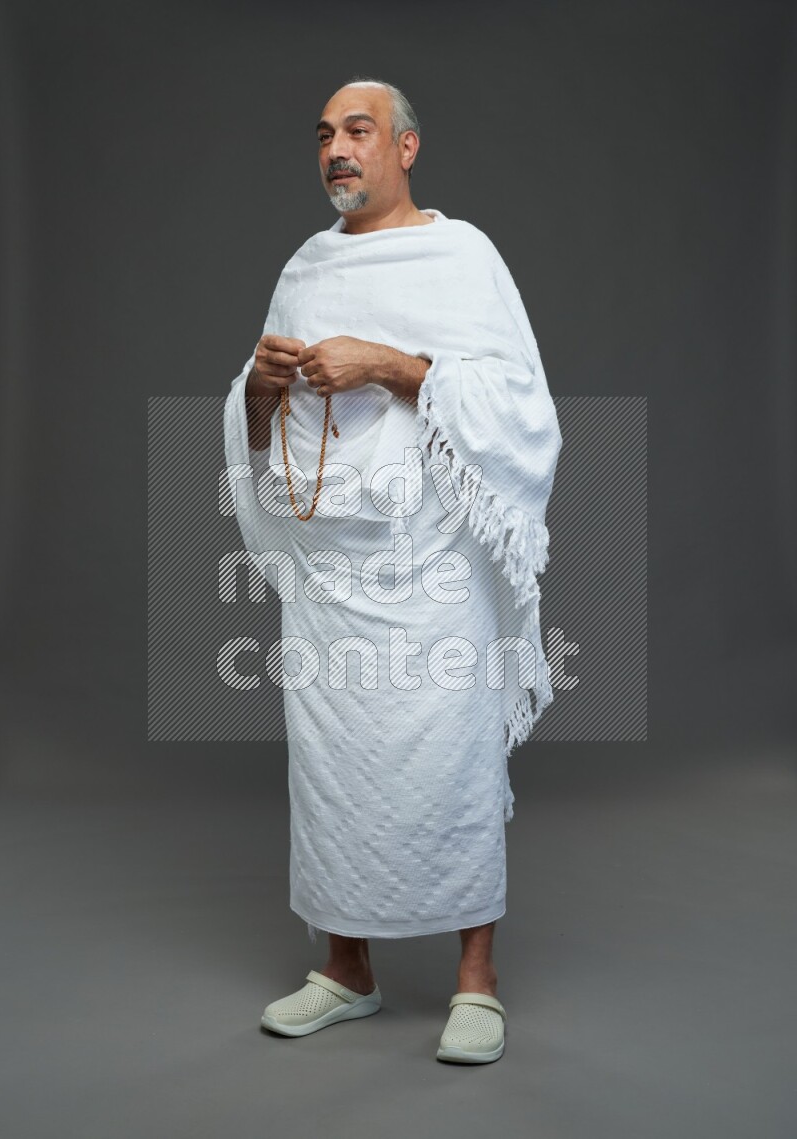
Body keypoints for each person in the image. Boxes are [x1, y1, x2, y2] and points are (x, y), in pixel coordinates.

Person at [223, 76, 562, 1063]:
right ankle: (346, 969)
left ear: (405, 147)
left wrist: (387, 364)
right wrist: (258, 389)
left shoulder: (463, 258)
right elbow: (260, 431)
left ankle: (475, 980)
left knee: (451, 757)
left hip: (434, 565)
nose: (336, 147)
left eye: (358, 130)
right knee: (334, 766)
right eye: (325, 133)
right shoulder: (305, 267)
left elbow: (520, 406)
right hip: (330, 569)